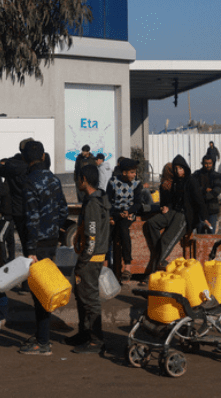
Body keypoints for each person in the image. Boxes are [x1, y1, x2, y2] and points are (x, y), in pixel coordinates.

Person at [18, 140, 67, 356]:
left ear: (26, 159)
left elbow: (32, 218)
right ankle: (42, 336)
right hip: (52, 240)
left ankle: (43, 342)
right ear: (44, 156)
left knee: (39, 291)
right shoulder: (54, 179)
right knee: (44, 288)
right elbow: (64, 210)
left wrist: (30, 249)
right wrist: (54, 228)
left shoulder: (29, 182)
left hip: (36, 244)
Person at [69, 163, 111, 354]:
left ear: (83, 180)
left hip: (91, 259)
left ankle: (96, 340)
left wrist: (83, 260)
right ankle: (85, 334)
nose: (76, 182)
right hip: (94, 257)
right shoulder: (97, 199)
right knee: (82, 296)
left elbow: (91, 238)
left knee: (90, 299)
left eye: (77, 178)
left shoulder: (94, 204)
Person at [143, 155, 196, 273]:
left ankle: (155, 265)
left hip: (179, 214)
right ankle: (159, 252)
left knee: (165, 240)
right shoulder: (167, 185)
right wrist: (164, 206)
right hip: (172, 213)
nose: (176, 172)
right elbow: (166, 201)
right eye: (173, 170)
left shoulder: (180, 183)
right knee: (158, 233)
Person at [106, 157, 143, 280]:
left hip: (129, 213)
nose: (134, 175)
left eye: (134, 172)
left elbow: (138, 203)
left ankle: (127, 265)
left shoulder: (137, 184)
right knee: (107, 234)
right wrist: (113, 215)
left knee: (123, 229)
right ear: (124, 173)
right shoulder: (112, 182)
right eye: (132, 172)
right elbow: (108, 201)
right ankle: (104, 265)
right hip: (114, 212)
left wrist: (128, 212)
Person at [191, 151, 221, 233]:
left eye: (209, 163)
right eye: (206, 163)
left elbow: (218, 189)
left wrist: (205, 196)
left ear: (212, 163)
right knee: (200, 233)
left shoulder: (216, 175)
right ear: (202, 163)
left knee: (211, 232)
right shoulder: (196, 174)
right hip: (199, 209)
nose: (208, 165)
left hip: (212, 208)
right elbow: (194, 188)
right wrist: (205, 189)